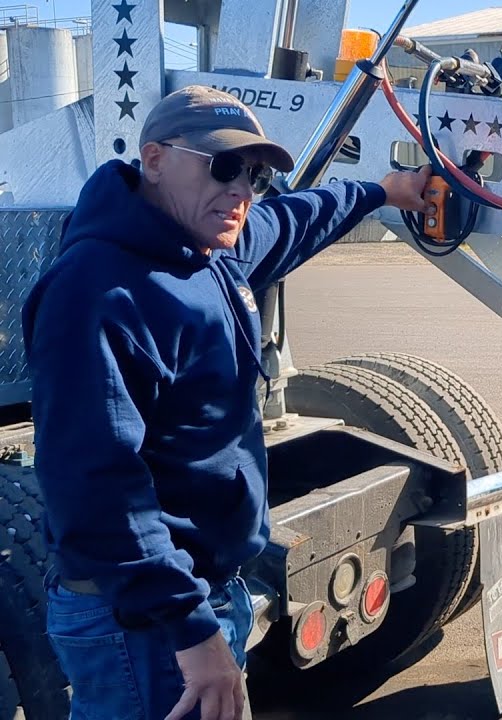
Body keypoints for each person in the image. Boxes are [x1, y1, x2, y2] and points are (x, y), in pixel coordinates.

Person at [21, 85, 434, 720]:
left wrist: (384, 191)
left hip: (200, 593)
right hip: (140, 622)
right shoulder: (96, 294)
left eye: (254, 175)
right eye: (224, 166)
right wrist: (190, 629)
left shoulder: (211, 248)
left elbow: (296, 219)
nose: (242, 189)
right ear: (155, 160)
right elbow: (98, 490)